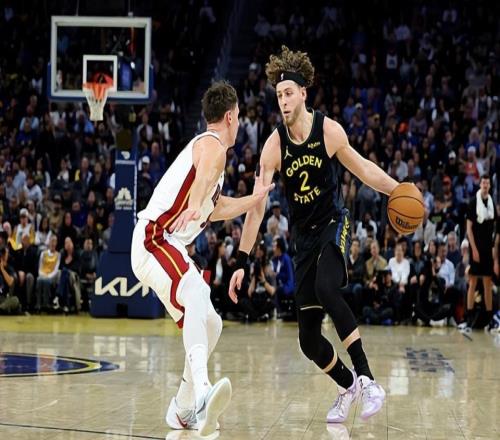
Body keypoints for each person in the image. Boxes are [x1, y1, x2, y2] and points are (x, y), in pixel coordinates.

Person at [228, 46, 399, 423]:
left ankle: (368, 379)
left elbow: (364, 170)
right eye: (279, 95)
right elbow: (256, 207)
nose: (283, 101)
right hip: (303, 239)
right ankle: (347, 385)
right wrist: (241, 260)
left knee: (326, 288)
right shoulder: (273, 146)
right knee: (308, 340)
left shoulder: (329, 131)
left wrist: (397, 189)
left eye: (289, 93)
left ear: (303, 93)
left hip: (333, 225)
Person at [130, 81, 274, 437]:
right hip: (154, 238)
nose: (238, 122)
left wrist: (254, 200)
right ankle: (203, 391)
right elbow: (205, 175)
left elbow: (217, 206)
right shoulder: (212, 146)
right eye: (238, 116)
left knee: (212, 323)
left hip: (165, 245)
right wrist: (194, 202)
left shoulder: (211, 158)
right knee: (196, 290)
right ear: (230, 116)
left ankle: (182, 409)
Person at [461, 175, 497, 332]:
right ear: (480, 184)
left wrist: (494, 250)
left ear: (490, 185)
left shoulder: (492, 203)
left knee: (488, 283)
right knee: (473, 282)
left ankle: (489, 320)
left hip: (488, 249)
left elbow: (495, 227)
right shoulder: (472, 203)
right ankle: (468, 318)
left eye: (487, 183)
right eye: (483, 182)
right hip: (476, 248)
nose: (485, 185)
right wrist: (474, 249)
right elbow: (469, 229)